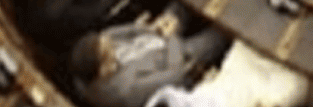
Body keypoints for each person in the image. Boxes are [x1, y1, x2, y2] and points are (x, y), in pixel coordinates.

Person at [68, 14, 231, 107]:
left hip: (154, 34)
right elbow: (175, 74)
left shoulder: (91, 56)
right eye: (108, 50)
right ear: (103, 70)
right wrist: (172, 36)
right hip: (176, 55)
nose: (111, 43)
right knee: (220, 33)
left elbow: (120, 31)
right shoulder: (127, 92)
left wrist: (151, 28)